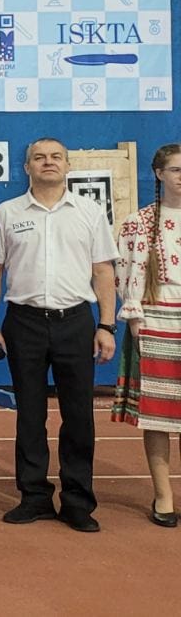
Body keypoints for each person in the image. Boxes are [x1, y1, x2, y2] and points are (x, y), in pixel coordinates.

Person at [0, 137, 118, 533]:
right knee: (29, 414)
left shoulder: (90, 212)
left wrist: (106, 325)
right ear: (27, 167)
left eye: (56, 157)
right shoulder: (6, 213)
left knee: (79, 415)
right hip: (23, 322)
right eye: (39, 158)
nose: (48, 162)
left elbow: (103, 270)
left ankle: (77, 502)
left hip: (75, 321)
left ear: (67, 165)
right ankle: (34, 497)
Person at [112, 142, 181, 528]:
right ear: (159, 174)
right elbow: (126, 275)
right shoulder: (138, 222)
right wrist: (135, 318)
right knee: (158, 414)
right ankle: (163, 494)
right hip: (157, 319)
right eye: (176, 170)